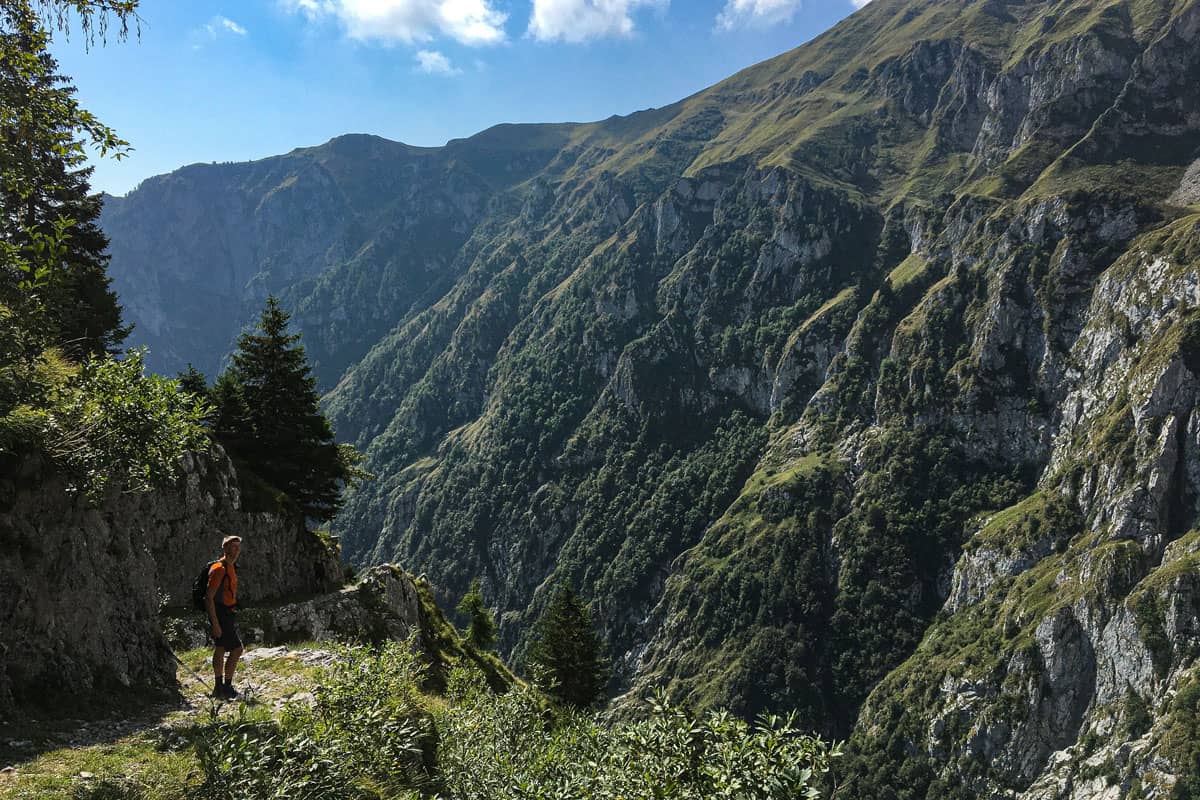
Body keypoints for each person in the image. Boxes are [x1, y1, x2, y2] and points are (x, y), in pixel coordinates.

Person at [205, 535, 244, 699]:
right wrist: (215, 623)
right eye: (233, 547)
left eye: (238, 548)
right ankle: (226, 687)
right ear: (225, 548)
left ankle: (219, 687)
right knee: (237, 649)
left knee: (220, 648)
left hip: (227, 612)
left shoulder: (231, 567)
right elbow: (208, 597)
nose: (236, 551)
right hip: (221, 613)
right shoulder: (219, 569)